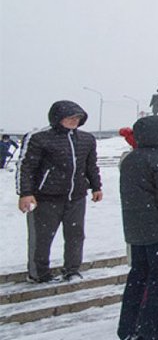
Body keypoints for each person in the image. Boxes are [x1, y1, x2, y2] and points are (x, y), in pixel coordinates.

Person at [17, 101, 103, 283]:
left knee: (75, 235)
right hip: (46, 197)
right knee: (41, 237)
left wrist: (96, 186)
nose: (74, 121)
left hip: (76, 196)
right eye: (70, 117)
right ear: (57, 118)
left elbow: (91, 165)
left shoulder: (86, 139)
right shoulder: (39, 138)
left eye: (77, 118)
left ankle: (72, 270)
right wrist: (25, 193)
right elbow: (26, 167)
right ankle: (38, 273)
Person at [116, 116, 158, 340]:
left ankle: (128, 329)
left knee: (137, 279)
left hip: (135, 228)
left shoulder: (131, 159)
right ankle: (152, 334)